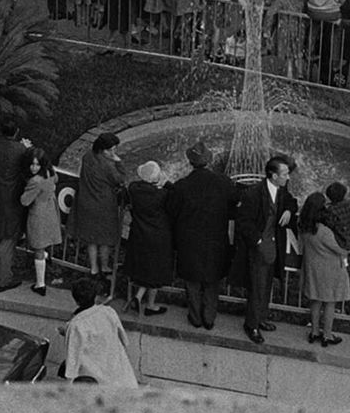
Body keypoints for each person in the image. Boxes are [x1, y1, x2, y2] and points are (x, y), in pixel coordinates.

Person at [167, 141, 235, 329]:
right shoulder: (223, 182)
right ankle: (209, 317)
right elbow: (234, 202)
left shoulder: (181, 186)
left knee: (192, 281)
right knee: (213, 281)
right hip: (216, 240)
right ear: (210, 160)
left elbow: (172, 211)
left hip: (189, 241)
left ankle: (195, 316)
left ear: (190, 162)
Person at [232, 155, 298, 345]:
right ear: (273, 175)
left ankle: (260, 318)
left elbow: (291, 202)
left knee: (266, 285)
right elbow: (244, 222)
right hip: (258, 249)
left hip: (273, 247)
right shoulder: (253, 193)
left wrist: (289, 210)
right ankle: (251, 325)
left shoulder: (282, 190)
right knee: (257, 287)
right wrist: (259, 241)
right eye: (285, 174)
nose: (288, 177)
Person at [73, 132, 127, 288]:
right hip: (104, 205)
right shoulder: (108, 166)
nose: (112, 153)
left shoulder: (87, 156)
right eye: (110, 150)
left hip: (86, 202)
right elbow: (121, 179)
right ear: (102, 149)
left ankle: (93, 268)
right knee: (104, 239)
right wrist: (118, 162)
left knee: (91, 239)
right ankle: (104, 266)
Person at [62, 275, 137, 387]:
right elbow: (124, 341)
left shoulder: (76, 325)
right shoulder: (108, 311)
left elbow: (73, 359)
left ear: (76, 301)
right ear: (95, 296)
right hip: (121, 376)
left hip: (97, 380)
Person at [0, 117, 29, 291]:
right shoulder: (20, 149)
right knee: (7, 239)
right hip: (10, 199)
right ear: (16, 132)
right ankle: (3, 279)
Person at [298, 190, 350, 347]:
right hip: (330, 270)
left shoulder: (304, 226)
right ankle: (327, 335)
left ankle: (314, 331)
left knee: (315, 301)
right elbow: (340, 249)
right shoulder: (324, 231)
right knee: (329, 303)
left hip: (313, 268)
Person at [123, 160, 174, 316]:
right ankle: (150, 305)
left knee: (144, 269)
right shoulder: (162, 195)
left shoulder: (133, 189)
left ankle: (137, 297)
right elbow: (172, 195)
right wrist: (167, 184)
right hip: (158, 236)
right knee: (156, 270)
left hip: (138, 234)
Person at [20, 149, 63, 296]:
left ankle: (40, 284)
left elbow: (25, 201)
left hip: (38, 215)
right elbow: (56, 179)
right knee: (43, 243)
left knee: (37, 246)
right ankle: (45, 257)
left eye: (36, 165)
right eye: (32, 164)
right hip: (50, 212)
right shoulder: (50, 174)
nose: (33, 168)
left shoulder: (35, 181)